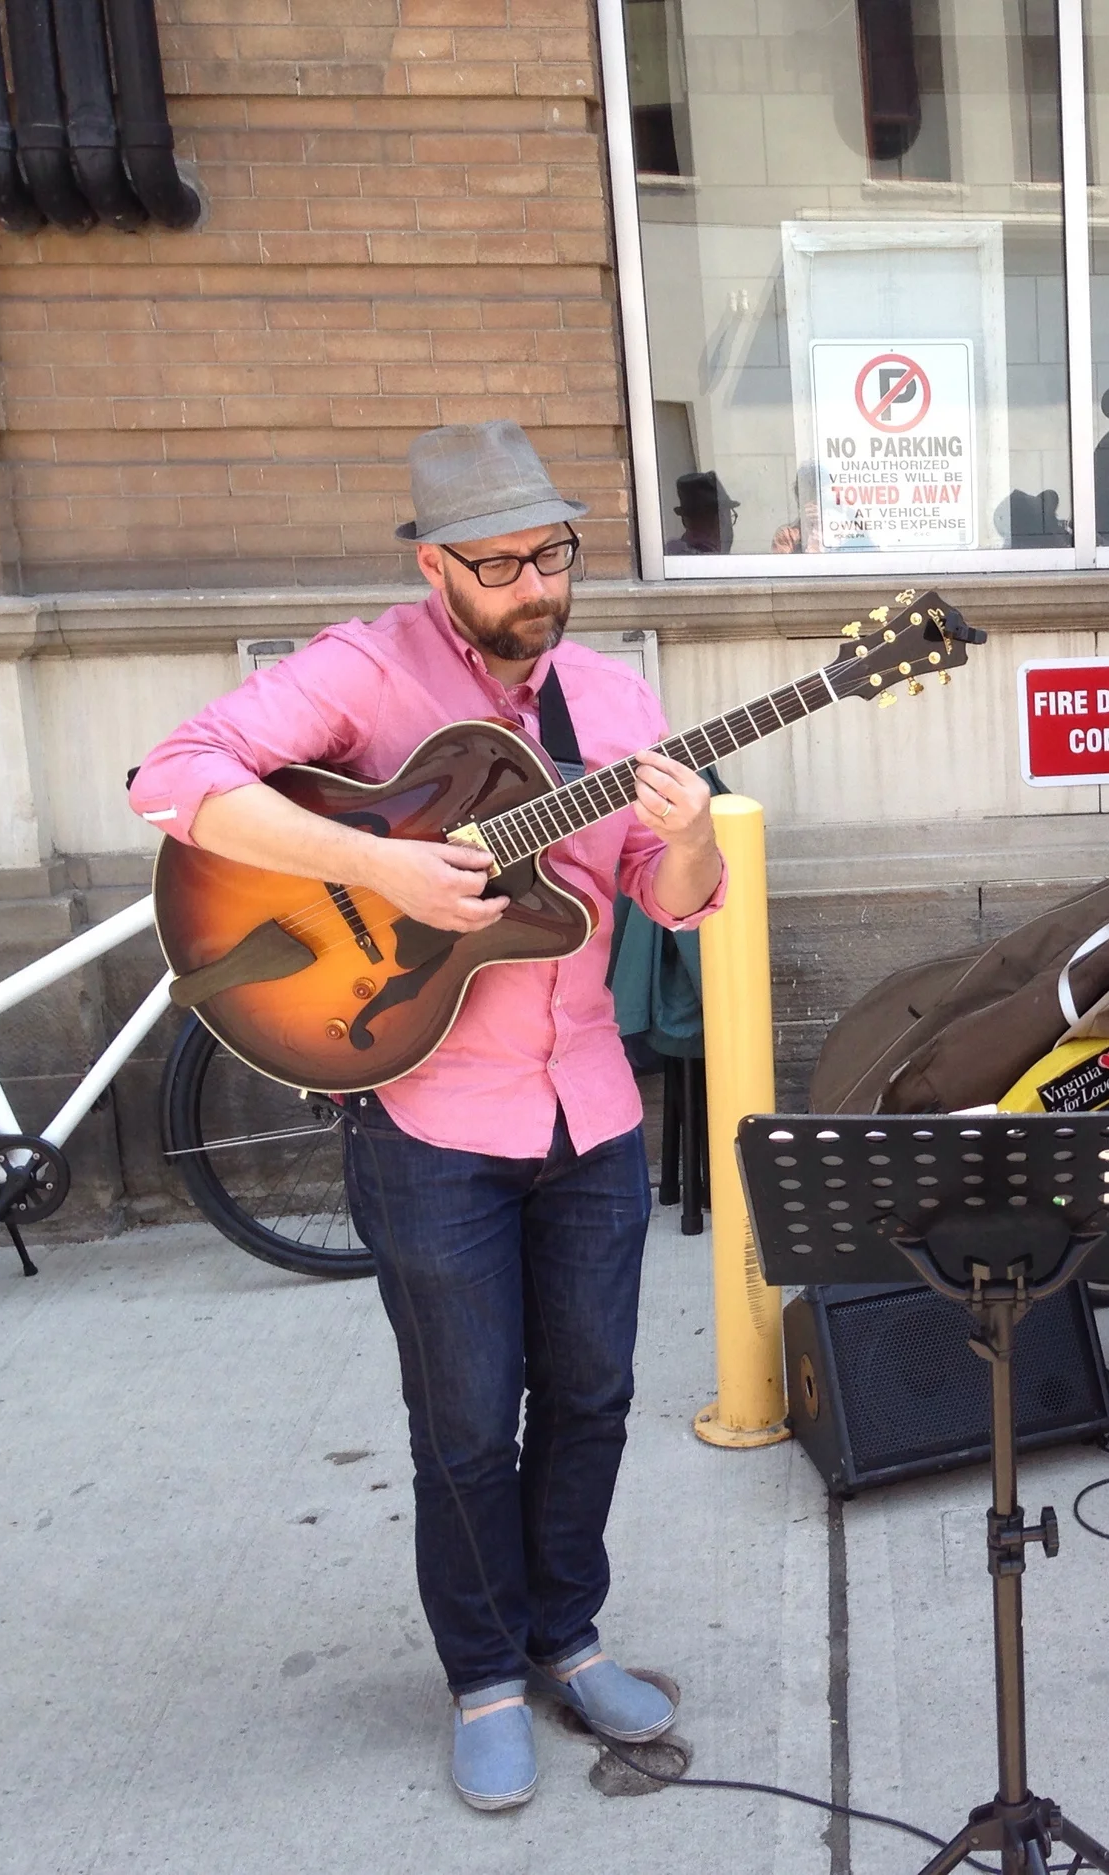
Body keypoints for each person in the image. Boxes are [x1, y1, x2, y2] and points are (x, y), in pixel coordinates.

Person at [129, 421, 727, 1812]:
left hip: (587, 1108)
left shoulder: (613, 700)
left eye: (555, 555)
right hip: (426, 1112)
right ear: (435, 561)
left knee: (591, 1394)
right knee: (464, 1419)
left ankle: (566, 1635)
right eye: (503, 561)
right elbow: (174, 780)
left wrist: (689, 830)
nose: (536, 586)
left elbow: (668, 893)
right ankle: (483, 1675)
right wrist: (373, 869)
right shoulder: (366, 668)